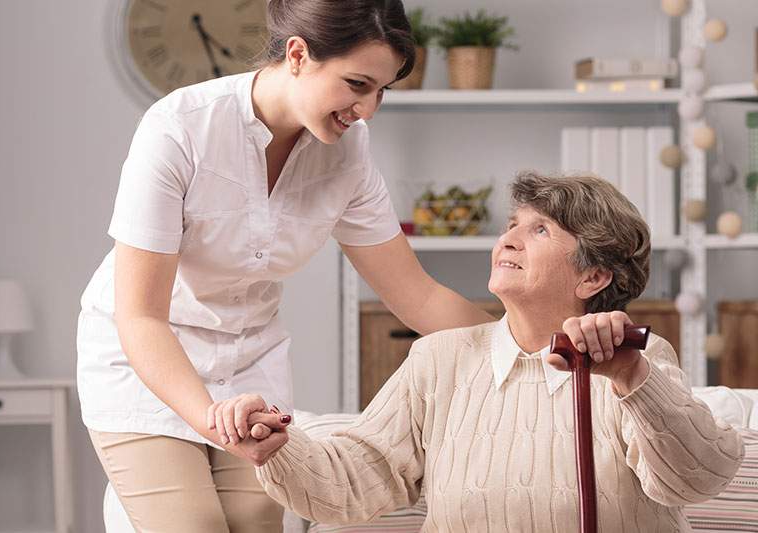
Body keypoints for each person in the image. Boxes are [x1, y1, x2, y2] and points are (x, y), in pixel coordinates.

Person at [76, 1, 494, 531]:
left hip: (249, 364)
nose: (368, 109)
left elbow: (418, 296)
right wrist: (211, 416)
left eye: (381, 91)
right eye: (357, 84)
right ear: (298, 54)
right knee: (193, 524)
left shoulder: (348, 155)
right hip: (145, 362)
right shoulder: (179, 129)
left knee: (256, 522)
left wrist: (534, 345)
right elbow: (141, 318)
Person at [224, 171, 744, 532]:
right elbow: (359, 478)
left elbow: (697, 478)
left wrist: (630, 376)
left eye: (540, 230)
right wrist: (279, 447)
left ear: (594, 275)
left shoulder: (641, 359)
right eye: (511, 226)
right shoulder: (439, 360)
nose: (509, 241)